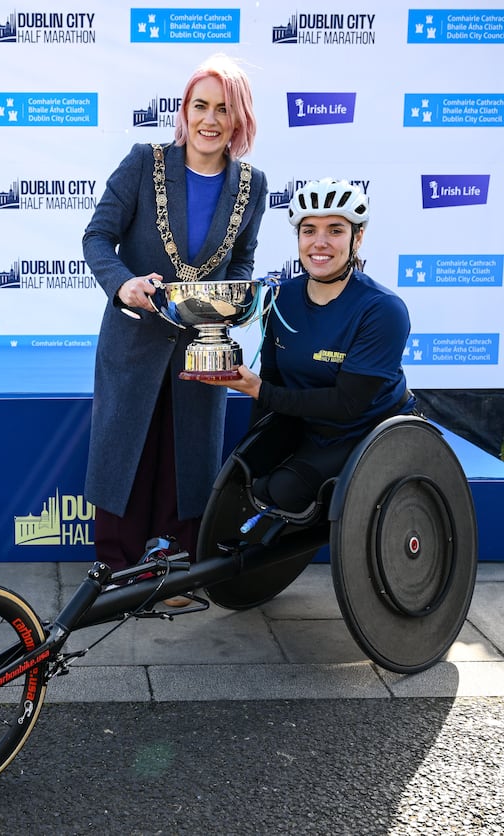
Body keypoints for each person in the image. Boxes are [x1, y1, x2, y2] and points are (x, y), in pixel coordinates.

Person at [82, 53, 268, 589]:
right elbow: (98, 236)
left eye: (223, 109)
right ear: (184, 112)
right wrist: (125, 283)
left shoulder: (252, 185)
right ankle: (115, 568)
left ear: (239, 120)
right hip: (134, 337)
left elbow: (243, 260)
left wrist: (229, 299)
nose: (210, 119)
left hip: (202, 342)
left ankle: (176, 566)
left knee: (188, 451)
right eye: (199, 106)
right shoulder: (145, 162)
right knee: (127, 448)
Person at [205, 177, 416, 513]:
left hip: (366, 431)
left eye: (335, 230)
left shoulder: (383, 309)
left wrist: (259, 390)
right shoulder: (281, 298)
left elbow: (348, 404)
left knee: (284, 489)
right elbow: (271, 378)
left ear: (357, 237)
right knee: (244, 477)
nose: (320, 243)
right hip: (306, 424)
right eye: (309, 231)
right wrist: (254, 448)